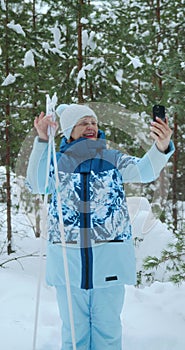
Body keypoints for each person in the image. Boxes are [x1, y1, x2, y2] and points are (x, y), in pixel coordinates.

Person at [26, 103, 174, 350]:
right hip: (67, 262)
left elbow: (144, 171)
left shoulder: (112, 159)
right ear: (69, 129)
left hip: (110, 261)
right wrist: (42, 141)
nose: (91, 127)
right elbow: (38, 184)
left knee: (108, 333)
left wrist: (161, 146)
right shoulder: (58, 161)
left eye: (93, 122)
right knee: (74, 336)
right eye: (83, 123)